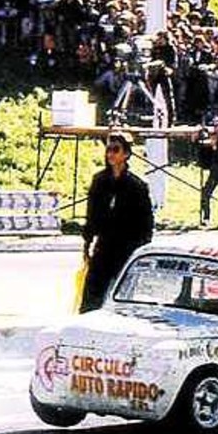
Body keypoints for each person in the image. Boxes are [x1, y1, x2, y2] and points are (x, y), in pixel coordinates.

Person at [78, 132, 153, 312]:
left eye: (115, 150)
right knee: (91, 296)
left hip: (126, 249)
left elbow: (146, 223)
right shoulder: (100, 181)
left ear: (126, 154)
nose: (110, 154)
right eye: (108, 150)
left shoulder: (137, 186)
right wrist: (87, 241)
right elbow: (91, 214)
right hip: (103, 247)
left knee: (120, 298)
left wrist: (141, 252)